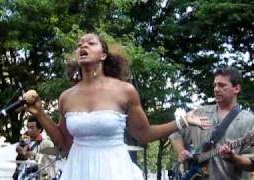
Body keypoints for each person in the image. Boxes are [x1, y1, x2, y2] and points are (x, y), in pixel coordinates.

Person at [22, 33, 206, 180]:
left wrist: (182, 121)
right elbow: (64, 143)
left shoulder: (125, 91)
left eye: (90, 43)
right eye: (79, 45)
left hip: (114, 168)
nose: (83, 46)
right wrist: (40, 114)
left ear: (103, 55)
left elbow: (144, 134)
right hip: (77, 168)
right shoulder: (66, 97)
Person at [170, 67, 254, 179]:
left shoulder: (248, 120)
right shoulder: (199, 113)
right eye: (215, 85)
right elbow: (175, 132)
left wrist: (234, 158)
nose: (216, 89)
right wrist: (181, 151)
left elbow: (251, 163)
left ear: (236, 88)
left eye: (222, 85)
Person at [13, 116, 55, 180]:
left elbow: (50, 164)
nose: (29, 130)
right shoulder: (25, 141)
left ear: (39, 129)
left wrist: (34, 155)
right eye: (28, 127)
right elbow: (19, 163)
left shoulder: (47, 144)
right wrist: (20, 153)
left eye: (32, 127)